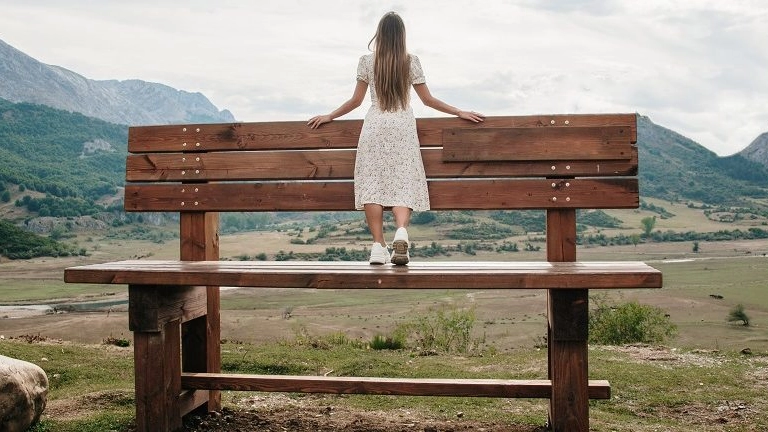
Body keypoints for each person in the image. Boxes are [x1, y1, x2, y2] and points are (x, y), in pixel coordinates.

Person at [308, 11, 484, 266]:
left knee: (372, 186)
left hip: (375, 126)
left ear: (379, 34)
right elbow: (428, 100)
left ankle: (378, 246)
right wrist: (458, 111)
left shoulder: (367, 62)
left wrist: (330, 116)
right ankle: (401, 230)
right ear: (401, 35)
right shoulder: (411, 61)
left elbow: (356, 101)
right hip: (402, 127)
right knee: (403, 183)